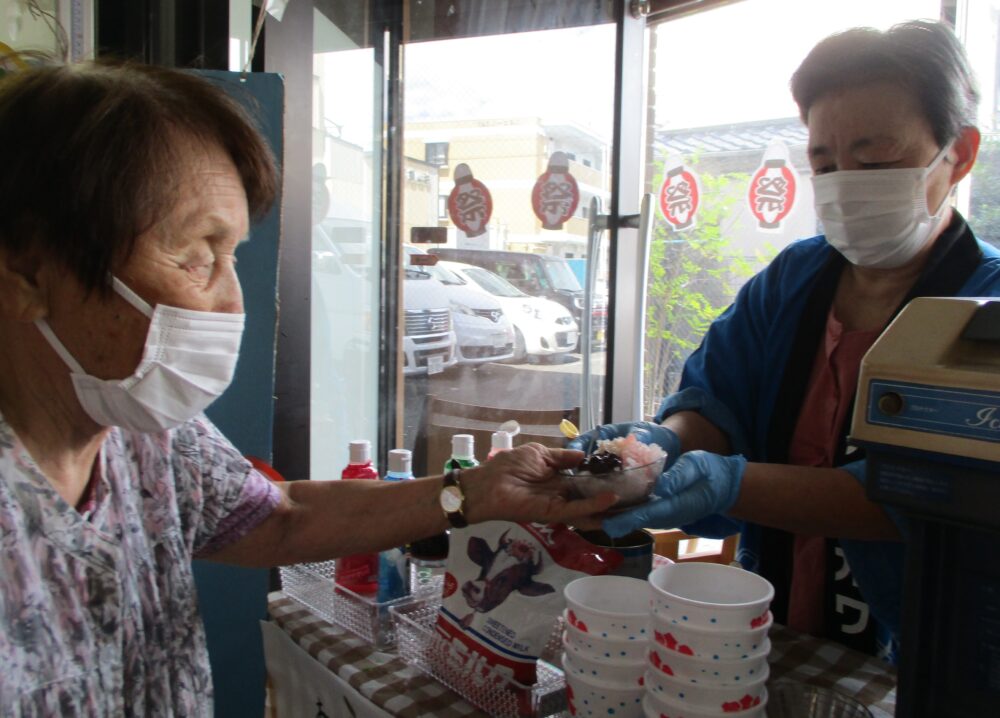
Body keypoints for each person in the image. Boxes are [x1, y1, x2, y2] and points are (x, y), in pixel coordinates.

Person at [0, 61, 615, 715]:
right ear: (31, 268)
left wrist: (475, 492)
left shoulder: (148, 438)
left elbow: (281, 517)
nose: (231, 301)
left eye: (230, 253)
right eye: (196, 255)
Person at [573, 19, 1000, 660]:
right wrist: (659, 448)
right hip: (782, 622)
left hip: (934, 646)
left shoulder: (985, 311)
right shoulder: (794, 281)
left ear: (959, 154)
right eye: (824, 163)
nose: (844, 181)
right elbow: (718, 396)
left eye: (874, 158)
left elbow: (922, 491)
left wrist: (730, 484)